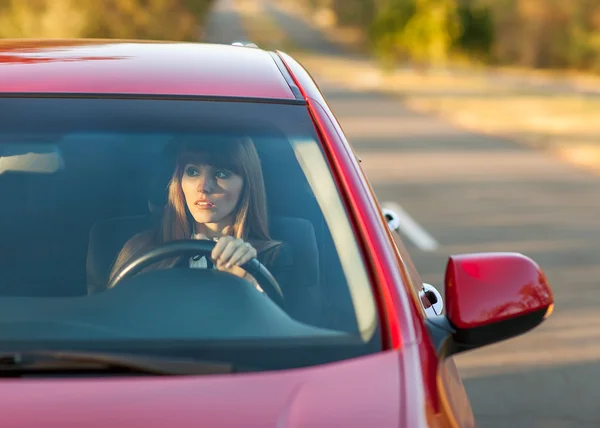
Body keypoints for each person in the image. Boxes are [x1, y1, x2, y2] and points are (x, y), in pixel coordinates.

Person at [107, 135, 292, 294]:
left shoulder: (271, 258)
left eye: (221, 173)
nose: (203, 187)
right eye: (192, 171)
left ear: (247, 185)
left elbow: (281, 333)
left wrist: (246, 287)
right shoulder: (141, 250)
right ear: (178, 181)